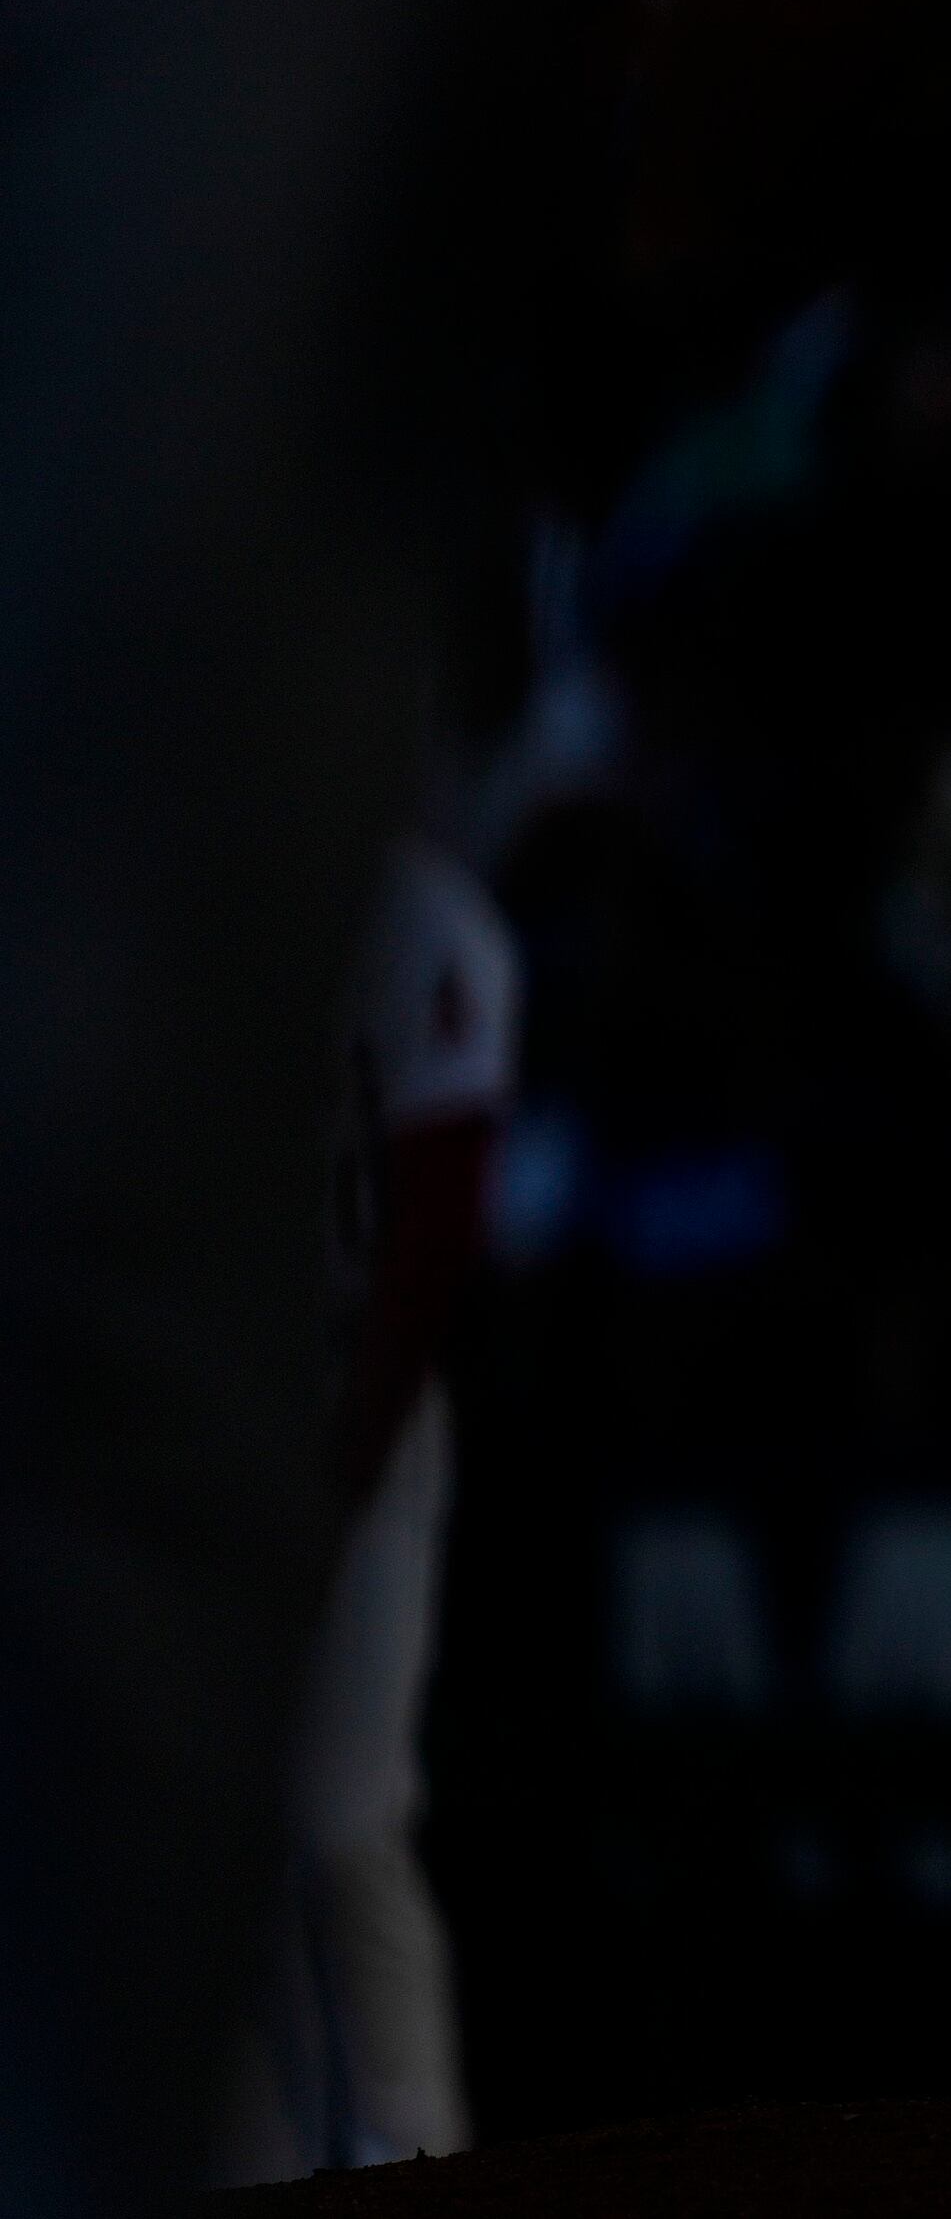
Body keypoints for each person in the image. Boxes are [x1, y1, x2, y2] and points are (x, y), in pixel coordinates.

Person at [211, 840, 519, 2181]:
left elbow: (437, 1232)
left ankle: (411, 2148)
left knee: (341, 1818)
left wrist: (342, 1464)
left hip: (358, 1416)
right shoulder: (176, 889)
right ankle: (262, 2161)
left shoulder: (426, 918)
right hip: (220, 1423)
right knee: (227, 1840)